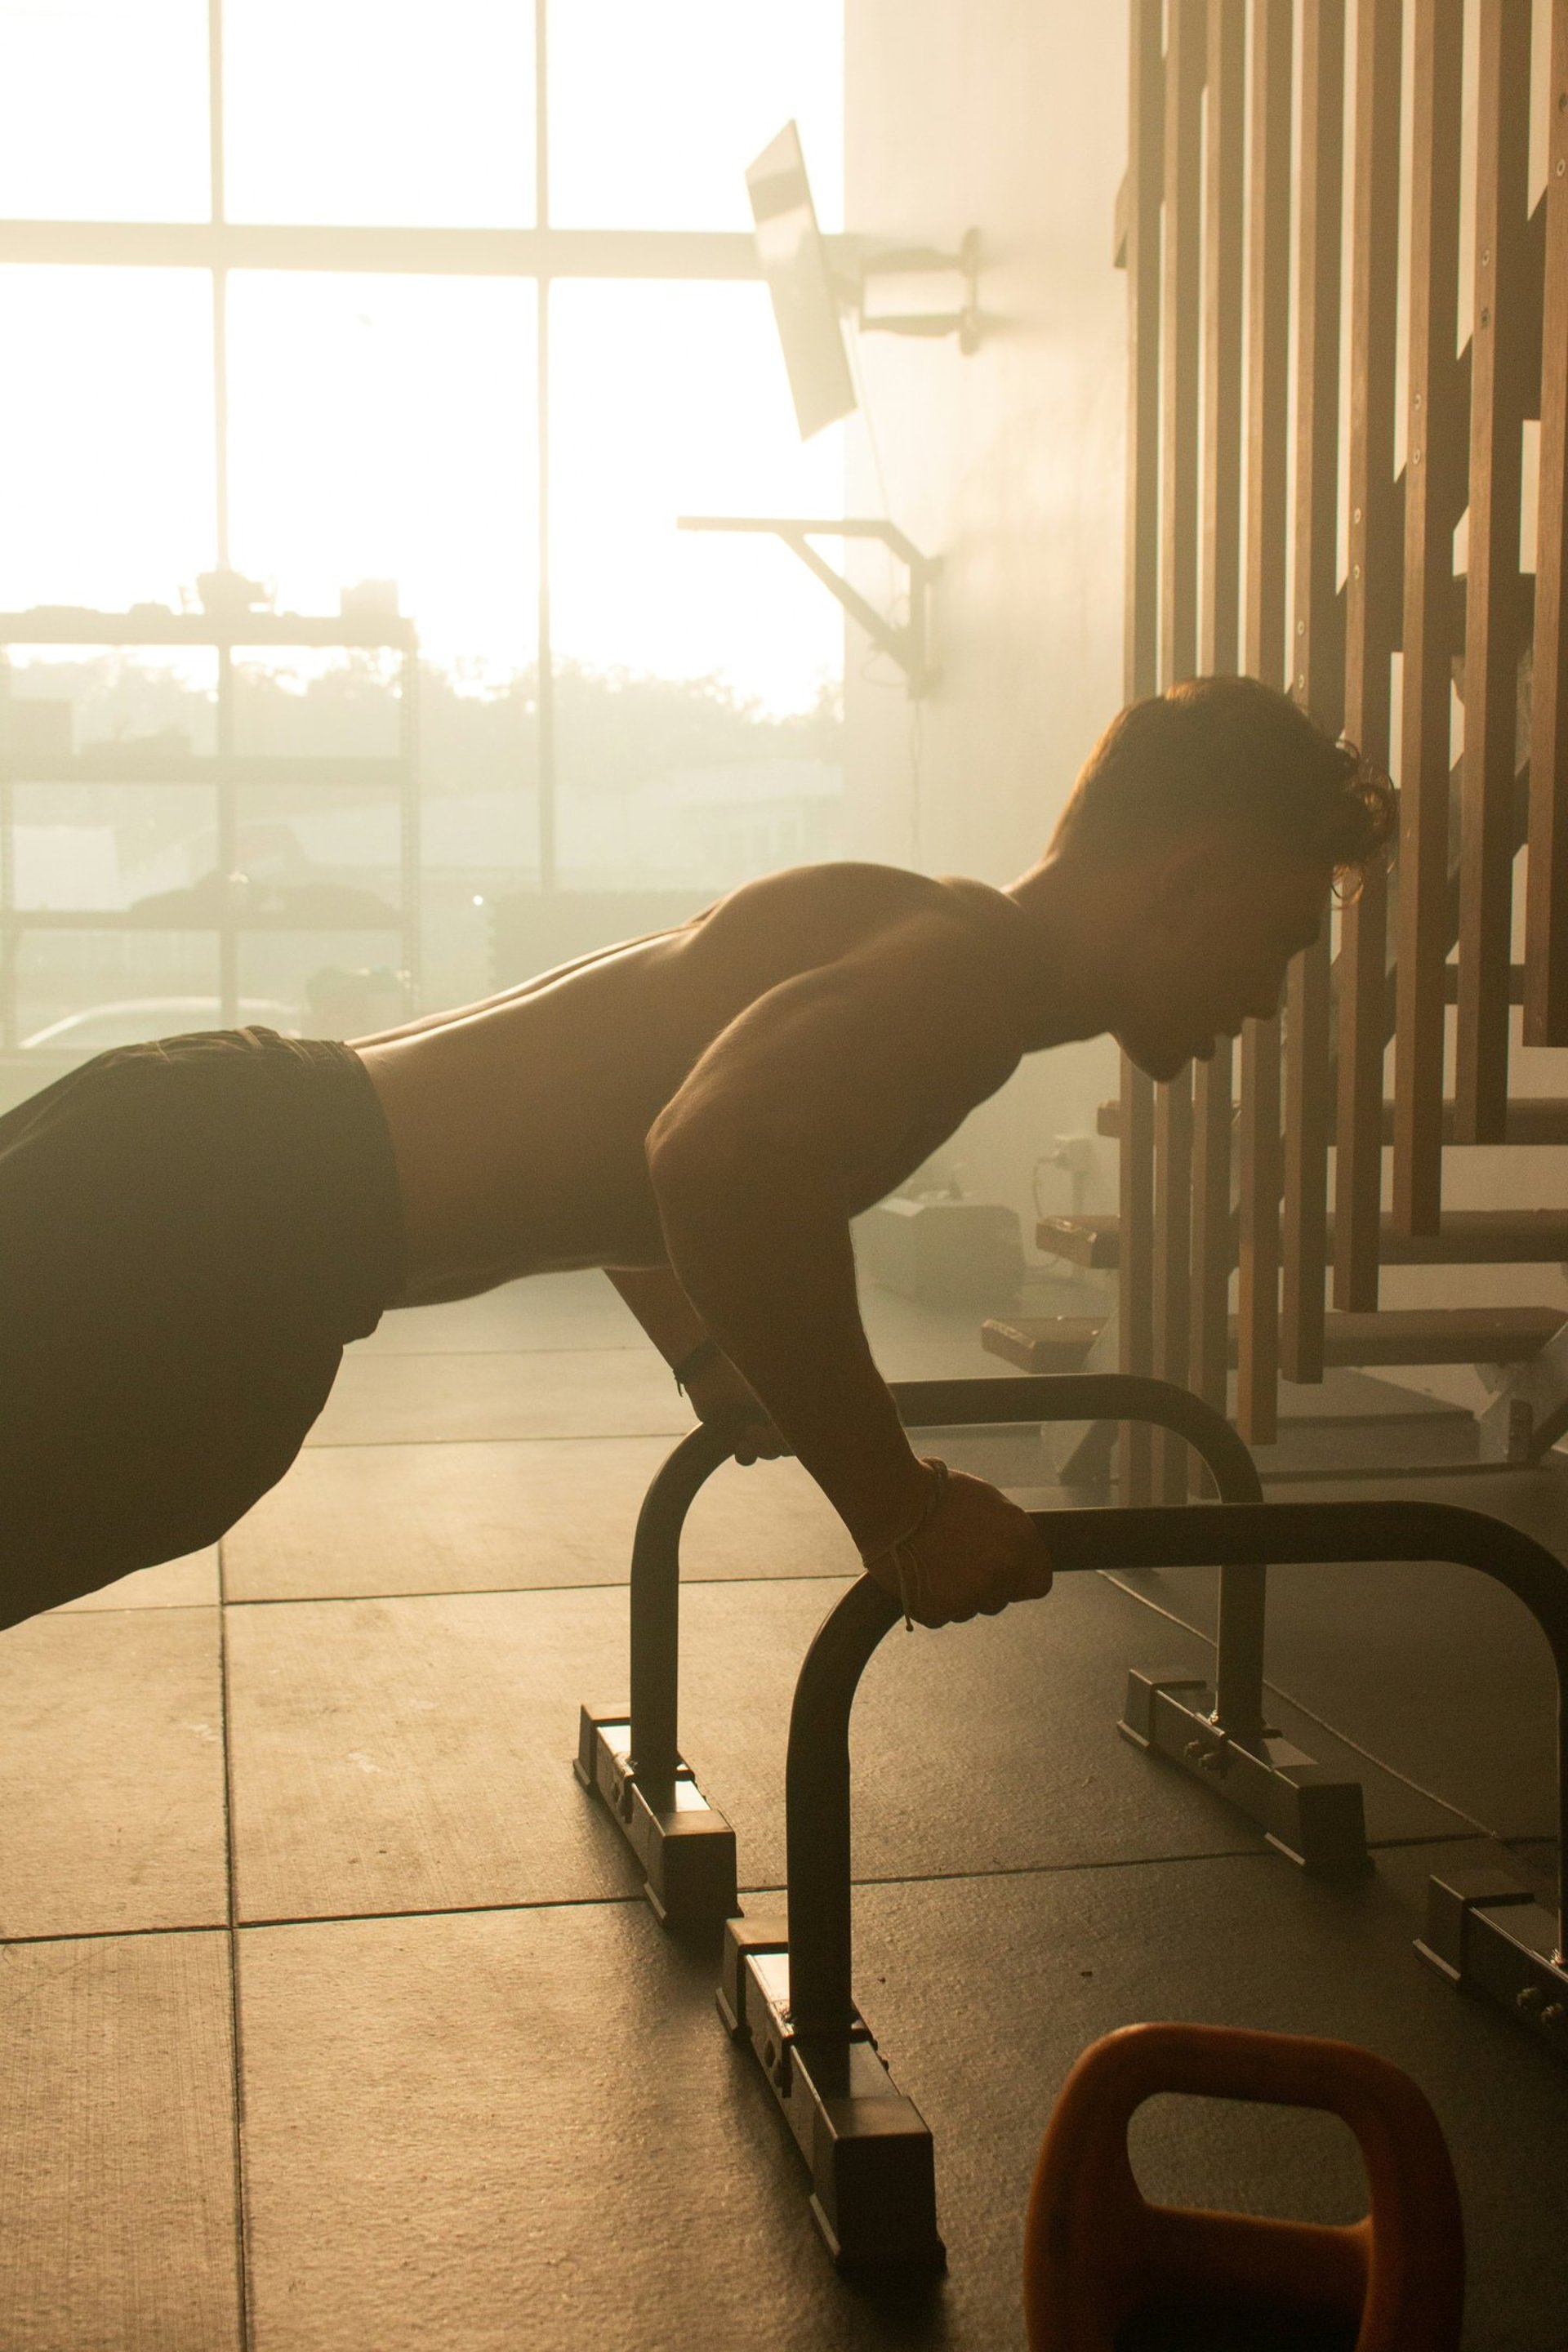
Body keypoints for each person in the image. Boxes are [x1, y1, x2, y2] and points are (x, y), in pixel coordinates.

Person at [0, 676, 1391, 1633]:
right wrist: (898, 1510)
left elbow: (637, 1129)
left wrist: (716, 1359)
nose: (1266, 998)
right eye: (1273, 946)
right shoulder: (968, 984)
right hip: (226, 1212)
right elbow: (716, 1161)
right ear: (1187, 884)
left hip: (233, 1173)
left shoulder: (922, 928)